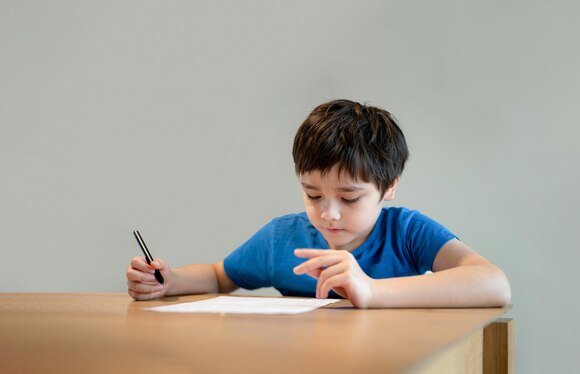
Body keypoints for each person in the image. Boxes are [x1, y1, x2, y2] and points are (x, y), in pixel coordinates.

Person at [126, 99, 511, 308]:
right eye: (312, 195)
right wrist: (169, 281)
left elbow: (493, 284)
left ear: (389, 187)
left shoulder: (407, 232)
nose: (328, 213)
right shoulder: (283, 238)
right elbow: (218, 276)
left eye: (350, 198)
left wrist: (372, 291)